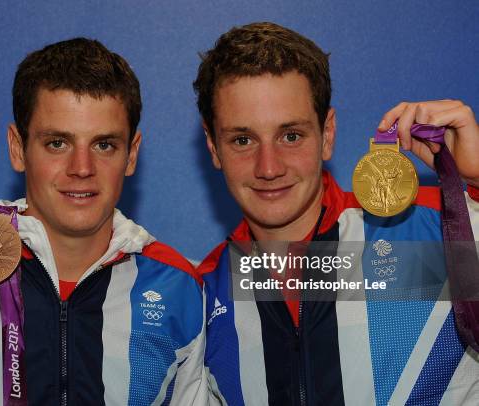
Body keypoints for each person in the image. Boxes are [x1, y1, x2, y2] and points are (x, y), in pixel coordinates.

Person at [0, 38, 206, 405]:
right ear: (17, 148)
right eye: (57, 143)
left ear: (131, 154)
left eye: (104, 145)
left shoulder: (178, 287)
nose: (82, 169)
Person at [194, 22, 479, 405]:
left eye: (290, 135)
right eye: (242, 140)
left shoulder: (439, 232)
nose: (268, 167)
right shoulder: (202, 294)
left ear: (327, 134)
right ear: (213, 147)